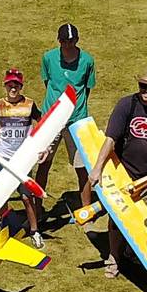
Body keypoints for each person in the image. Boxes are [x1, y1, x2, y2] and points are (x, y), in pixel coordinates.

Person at [89, 69, 147, 278]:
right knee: (117, 218)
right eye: (143, 86)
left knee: (145, 218)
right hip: (123, 174)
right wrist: (97, 168)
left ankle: (131, 252)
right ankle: (113, 258)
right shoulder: (126, 105)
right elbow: (110, 139)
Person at [37, 22, 98, 215]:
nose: (68, 45)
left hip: (76, 122)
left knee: (81, 167)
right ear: (59, 41)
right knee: (43, 163)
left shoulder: (87, 61)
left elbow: (87, 88)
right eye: (64, 41)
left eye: (71, 41)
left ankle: (86, 211)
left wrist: (74, 109)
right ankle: (37, 209)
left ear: (77, 40)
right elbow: (48, 82)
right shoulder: (48, 58)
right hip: (51, 120)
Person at [0, 68, 45, 241]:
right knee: (1, 196)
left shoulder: (29, 104)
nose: (13, 88)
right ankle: (5, 228)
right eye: (10, 85)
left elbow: (41, 124)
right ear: (5, 85)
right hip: (2, 157)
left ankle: (35, 231)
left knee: (26, 197)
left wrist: (42, 146)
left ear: (21, 86)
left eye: (16, 85)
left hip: (23, 159)